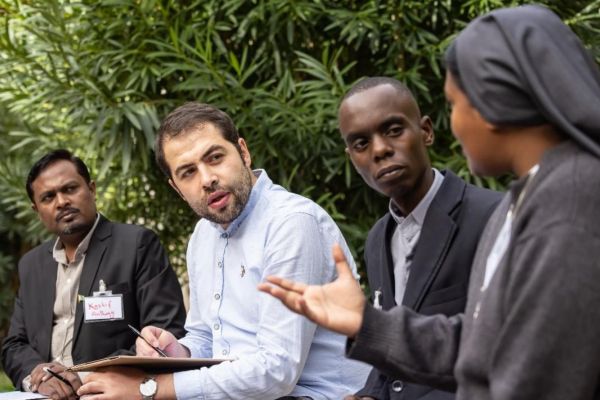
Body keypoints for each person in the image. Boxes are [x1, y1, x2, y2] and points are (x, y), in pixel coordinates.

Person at [260, 4, 600, 400]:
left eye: (454, 104)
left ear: (492, 102)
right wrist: (367, 324)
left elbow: (540, 378)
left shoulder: (572, 201)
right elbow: (485, 348)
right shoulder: (530, 199)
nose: (454, 122)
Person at [77, 102, 370, 400]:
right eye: (188, 172)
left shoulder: (291, 223)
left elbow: (276, 371)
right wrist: (176, 350)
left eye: (215, 157)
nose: (207, 180)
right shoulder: (203, 236)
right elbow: (207, 337)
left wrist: (148, 389)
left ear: (243, 152)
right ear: (177, 189)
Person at [337, 77, 500, 400]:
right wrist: (370, 395)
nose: (380, 150)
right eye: (361, 144)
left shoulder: (492, 217)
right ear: (351, 157)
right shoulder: (377, 239)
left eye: (393, 130)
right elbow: (392, 350)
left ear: (426, 131)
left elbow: (504, 350)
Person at [1, 149, 187, 400]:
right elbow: (13, 345)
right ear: (37, 210)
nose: (61, 202)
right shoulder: (31, 265)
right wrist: (38, 375)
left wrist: (84, 377)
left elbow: (165, 332)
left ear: (91, 189)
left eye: (70, 189)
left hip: (109, 393)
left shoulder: (136, 245)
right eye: (48, 197)